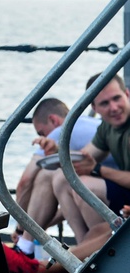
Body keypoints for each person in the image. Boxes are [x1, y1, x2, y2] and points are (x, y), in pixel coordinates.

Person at [12, 97, 114, 253]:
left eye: (42, 133)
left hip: (117, 187)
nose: (44, 137)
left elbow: (24, 182)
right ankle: (82, 251)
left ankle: (25, 245)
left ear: (53, 120)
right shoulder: (86, 123)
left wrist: (20, 229)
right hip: (109, 184)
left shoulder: (62, 130)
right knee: (61, 179)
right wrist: (39, 223)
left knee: (47, 174)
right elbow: (64, 201)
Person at [47, 74, 130, 241]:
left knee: (86, 185)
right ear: (94, 107)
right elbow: (83, 157)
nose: (113, 108)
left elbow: (91, 165)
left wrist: (97, 169)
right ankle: (85, 249)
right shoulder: (107, 126)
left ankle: (99, 252)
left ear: (127, 94)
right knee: (62, 177)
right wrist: (57, 151)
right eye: (105, 103)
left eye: (117, 98)